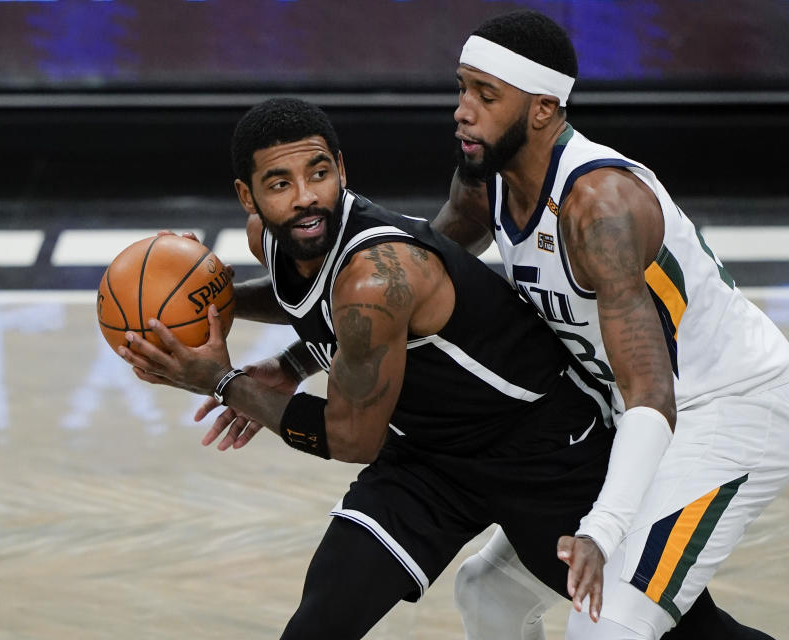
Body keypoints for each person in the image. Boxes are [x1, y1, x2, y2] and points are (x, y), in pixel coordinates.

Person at [117, 97, 619, 640]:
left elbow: (351, 436)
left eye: (319, 173)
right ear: (248, 196)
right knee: (319, 623)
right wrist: (209, 300)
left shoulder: (377, 276)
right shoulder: (273, 241)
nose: (307, 197)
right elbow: (316, 306)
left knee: (676, 629)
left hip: (547, 457)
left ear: (341, 168)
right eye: (280, 184)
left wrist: (221, 381)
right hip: (431, 460)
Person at [437, 10, 789, 640]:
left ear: (543, 109)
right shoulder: (485, 183)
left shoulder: (600, 206)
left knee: (608, 626)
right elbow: (404, 282)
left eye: (486, 95)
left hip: (725, 408)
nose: (463, 109)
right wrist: (287, 349)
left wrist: (601, 529)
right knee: (487, 592)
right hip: (631, 410)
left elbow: (654, 397)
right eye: (462, 87)